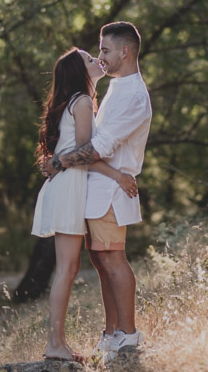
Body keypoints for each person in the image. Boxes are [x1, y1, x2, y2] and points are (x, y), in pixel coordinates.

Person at [43, 21, 152, 364]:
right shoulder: (116, 88)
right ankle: (111, 333)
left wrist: (59, 162)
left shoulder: (134, 95)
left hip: (109, 191)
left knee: (112, 258)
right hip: (96, 188)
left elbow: (99, 147)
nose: (101, 57)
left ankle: (129, 334)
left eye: (105, 50)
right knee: (101, 260)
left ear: (125, 51)